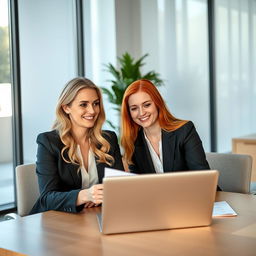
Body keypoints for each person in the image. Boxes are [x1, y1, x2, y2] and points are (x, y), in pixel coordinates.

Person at [30, 77, 124, 214]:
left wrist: (100, 197)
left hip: (95, 216)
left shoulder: (108, 139)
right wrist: (84, 195)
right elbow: (47, 198)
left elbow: (119, 187)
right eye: (83, 104)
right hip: (57, 222)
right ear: (66, 107)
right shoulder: (48, 142)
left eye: (96, 103)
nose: (92, 111)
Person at [121, 79, 215, 179]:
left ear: (157, 103)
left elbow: (203, 178)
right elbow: (136, 184)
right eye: (134, 108)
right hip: (155, 195)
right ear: (129, 113)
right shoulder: (133, 141)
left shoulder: (185, 131)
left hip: (193, 193)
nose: (141, 113)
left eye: (147, 105)